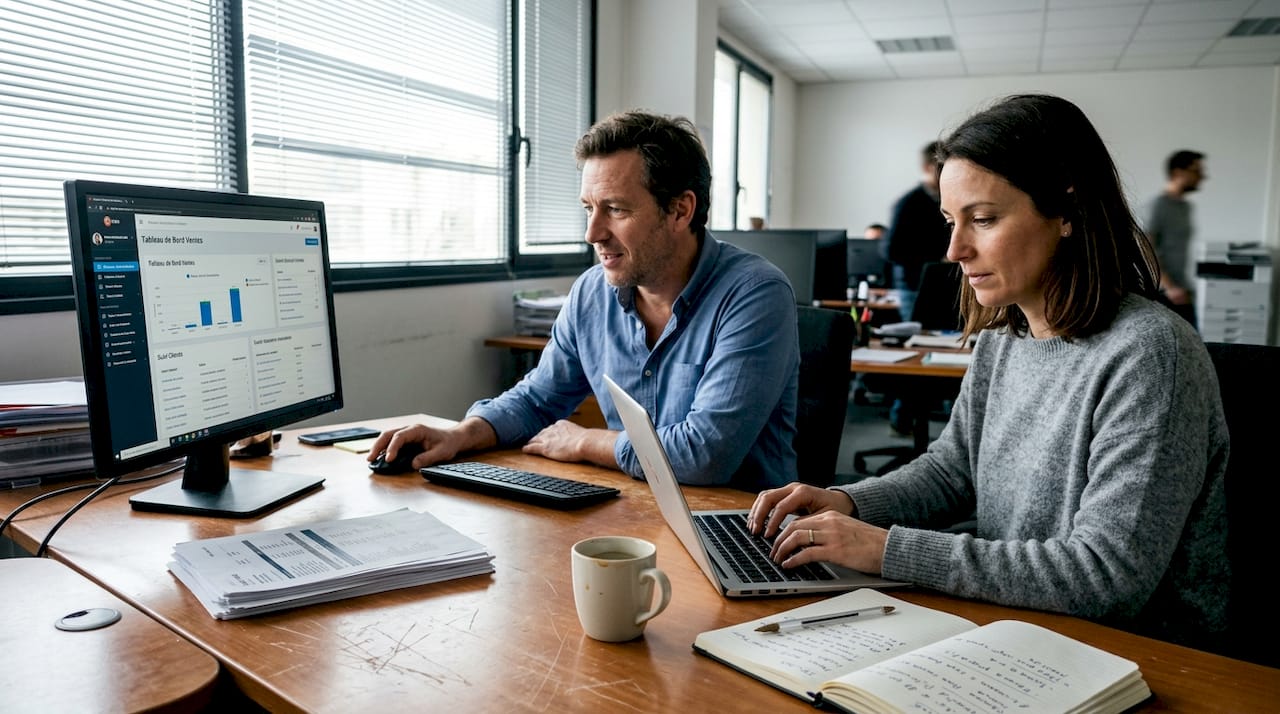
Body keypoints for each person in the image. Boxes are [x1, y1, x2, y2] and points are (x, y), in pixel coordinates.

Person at [749, 93, 1229, 651]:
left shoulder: (1150, 354)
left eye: (983, 219)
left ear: (1068, 211)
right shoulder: (1005, 338)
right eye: (952, 221)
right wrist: (851, 503)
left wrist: (885, 549)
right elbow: (953, 472)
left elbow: (1106, 577)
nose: (953, 250)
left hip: (1140, 653)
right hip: (1017, 622)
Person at [370, 110, 800, 491]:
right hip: (635, 508)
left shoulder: (755, 294)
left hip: (736, 532)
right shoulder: (592, 293)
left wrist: (588, 440)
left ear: (679, 211)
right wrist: (463, 433)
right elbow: (538, 400)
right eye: (587, 208)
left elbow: (707, 455)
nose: (592, 234)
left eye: (615, 209)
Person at [883, 141, 951, 322]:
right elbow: (891, 251)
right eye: (942, 167)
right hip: (914, 287)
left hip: (945, 283)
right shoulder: (907, 203)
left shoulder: (948, 199)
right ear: (927, 168)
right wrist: (938, 258)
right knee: (918, 336)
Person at [1145, 150, 1206, 327]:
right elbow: (1146, 248)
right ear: (1178, 173)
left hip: (1181, 287)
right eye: (1196, 170)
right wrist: (1170, 287)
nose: (1202, 176)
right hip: (1163, 293)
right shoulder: (1158, 206)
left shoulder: (1185, 207)